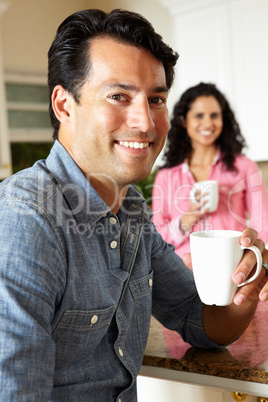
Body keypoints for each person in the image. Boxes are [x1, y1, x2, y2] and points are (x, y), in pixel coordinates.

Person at [0, 9, 267, 402]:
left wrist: (246, 289)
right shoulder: (26, 220)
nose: (146, 122)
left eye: (156, 99)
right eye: (118, 96)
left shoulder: (131, 213)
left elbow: (200, 320)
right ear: (64, 106)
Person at [152, 82, 268, 257]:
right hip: (182, 272)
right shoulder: (165, 177)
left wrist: (251, 256)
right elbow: (157, 237)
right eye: (199, 115)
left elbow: (263, 224)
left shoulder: (244, 167)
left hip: (232, 265)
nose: (208, 123)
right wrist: (185, 221)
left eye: (214, 115)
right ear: (184, 121)